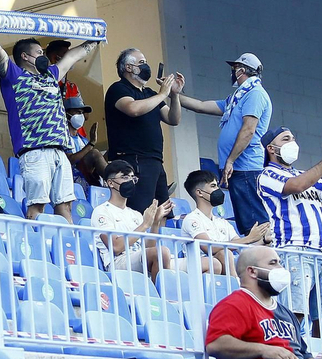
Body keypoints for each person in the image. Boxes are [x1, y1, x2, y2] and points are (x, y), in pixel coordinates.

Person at [0, 21, 97, 221]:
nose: (44, 56)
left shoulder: (51, 74)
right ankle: (34, 239)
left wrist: (95, 39)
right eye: (39, 53)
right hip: (35, 151)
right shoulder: (14, 76)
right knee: (37, 205)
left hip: (60, 150)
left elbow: (72, 56)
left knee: (65, 205)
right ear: (25, 56)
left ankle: (68, 245)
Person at [258, 126, 322, 332]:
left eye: (293, 137)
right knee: (296, 312)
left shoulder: (304, 174)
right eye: (286, 138)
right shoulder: (267, 174)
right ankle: (296, 351)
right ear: (271, 148)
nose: (292, 142)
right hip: (294, 249)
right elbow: (295, 186)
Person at [179, 53, 271, 235]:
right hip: (238, 168)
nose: (232, 72)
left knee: (254, 221)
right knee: (246, 220)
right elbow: (201, 105)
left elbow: (248, 130)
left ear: (241, 71)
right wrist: (173, 93)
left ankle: (261, 258)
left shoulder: (255, 94)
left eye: (235, 68)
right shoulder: (237, 98)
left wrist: (230, 160)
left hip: (246, 167)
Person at [104, 48, 182, 211]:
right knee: (140, 211)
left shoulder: (149, 93)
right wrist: (162, 94)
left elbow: (173, 119)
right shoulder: (118, 89)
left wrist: (174, 95)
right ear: (128, 67)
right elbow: (133, 109)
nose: (146, 66)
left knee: (161, 212)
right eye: (141, 63)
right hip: (134, 160)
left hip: (155, 161)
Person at [91, 160, 174, 277]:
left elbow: (148, 249)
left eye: (132, 178)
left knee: (166, 255)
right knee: (162, 252)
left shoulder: (135, 214)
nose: (130, 181)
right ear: (110, 183)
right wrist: (144, 225)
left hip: (137, 258)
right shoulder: (102, 211)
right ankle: (159, 294)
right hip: (117, 262)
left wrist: (155, 222)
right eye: (124, 177)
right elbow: (116, 247)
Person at [180, 169, 270, 274]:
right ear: (200, 192)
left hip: (221, 267)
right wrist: (248, 238)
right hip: (198, 271)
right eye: (213, 186)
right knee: (225, 253)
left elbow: (242, 248)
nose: (218, 190)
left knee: (228, 254)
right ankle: (235, 285)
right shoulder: (192, 219)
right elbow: (209, 248)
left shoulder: (222, 223)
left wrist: (263, 240)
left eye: (217, 186)